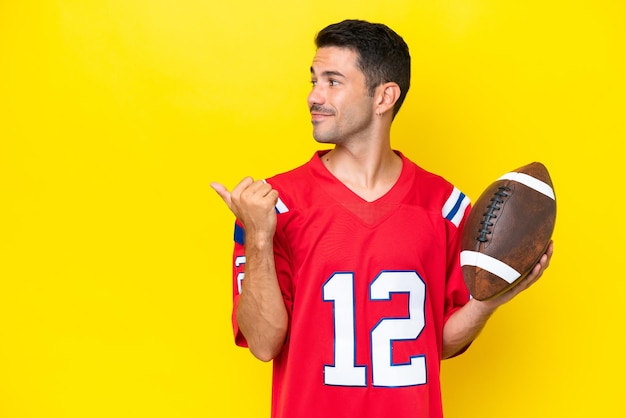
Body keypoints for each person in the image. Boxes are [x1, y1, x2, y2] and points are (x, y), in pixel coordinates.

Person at [211, 19, 553, 418]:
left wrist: (490, 302)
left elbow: (432, 344)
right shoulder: (274, 205)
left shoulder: (444, 206)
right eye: (313, 81)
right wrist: (257, 237)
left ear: (384, 97)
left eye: (333, 82)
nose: (313, 97)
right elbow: (263, 343)